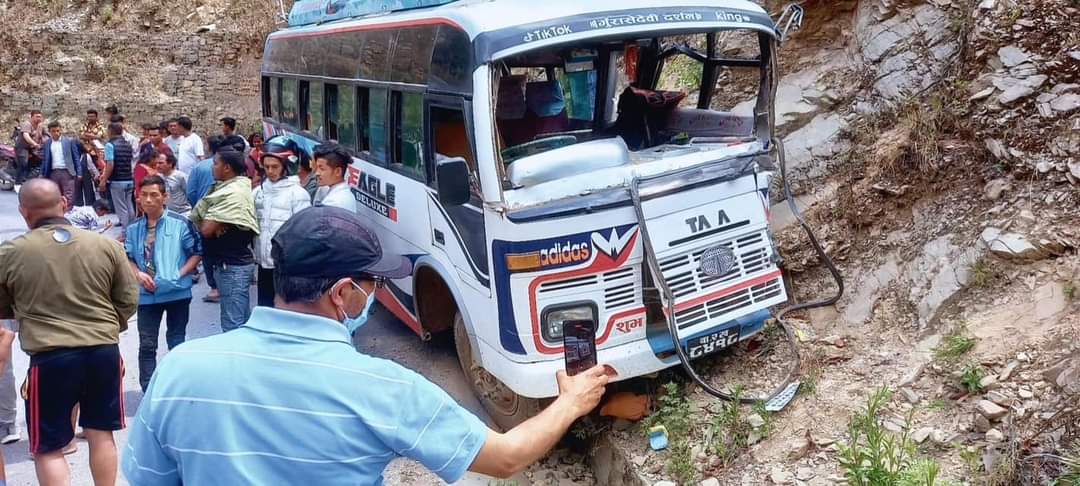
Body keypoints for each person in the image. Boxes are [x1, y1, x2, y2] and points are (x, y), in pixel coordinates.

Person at [122, 205, 613, 485]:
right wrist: (571, 401)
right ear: (342, 293)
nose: (374, 294)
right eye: (371, 284)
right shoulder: (380, 386)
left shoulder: (181, 369)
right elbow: (505, 457)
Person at [0, 178, 138, 486]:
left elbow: (2, 304)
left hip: (50, 357)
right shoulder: (105, 245)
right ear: (64, 203)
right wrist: (106, 326)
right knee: (101, 433)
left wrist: (25, 311)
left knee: (48, 447)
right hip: (102, 351)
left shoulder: (10, 253)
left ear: (24, 212)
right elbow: (128, 298)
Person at [125, 175, 202, 392]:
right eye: (144, 195)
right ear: (138, 197)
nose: (148, 200)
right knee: (147, 344)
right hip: (147, 295)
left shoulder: (181, 223)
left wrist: (179, 274)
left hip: (177, 292)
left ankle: (179, 386)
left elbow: (196, 252)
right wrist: (138, 274)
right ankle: (148, 389)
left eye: (154, 195)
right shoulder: (133, 229)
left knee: (177, 340)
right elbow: (127, 256)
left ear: (164, 197)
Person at [189, 148, 258, 332]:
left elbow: (206, 229)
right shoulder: (225, 189)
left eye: (216, 163)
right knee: (239, 319)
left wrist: (209, 220)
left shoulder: (233, 194)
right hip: (229, 265)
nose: (212, 167)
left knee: (233, 324)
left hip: (233, 267)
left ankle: (236, 358)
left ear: (227, 168)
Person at [253, 151, 310, 306]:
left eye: (275, 167)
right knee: (265, 307)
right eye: (266, 167)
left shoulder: (298, 194)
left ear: (286, 167)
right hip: (263, 263)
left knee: (285, 307)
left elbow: (302, 233)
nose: (270, 171)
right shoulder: (258, 192)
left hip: (285, 265)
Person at [99, 122, 136, 228]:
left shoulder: (110, 145)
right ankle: (133, 228)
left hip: (117, 180)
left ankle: (125, 231)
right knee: (129, 206)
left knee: (121, 208)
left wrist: (104, 180)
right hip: (128, 179)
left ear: (110, 131)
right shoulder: (128, 144)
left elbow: (110, 164)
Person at [40, 121, 84, 205]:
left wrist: (79, 172)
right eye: (53, 131)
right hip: (53, 172)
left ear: (61, 130)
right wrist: (42, 173)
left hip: (67, 171)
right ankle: (58, 214)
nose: (56, 133)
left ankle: (67, 214)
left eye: (58, 131)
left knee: (69, 195)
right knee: (55, 194)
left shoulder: (69, 141)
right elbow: (45, 159)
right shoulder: (47, 143)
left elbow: (76, 158)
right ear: (49, 131)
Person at [312, 143, 356, 211]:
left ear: (337, 171)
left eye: (322, 169)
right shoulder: (337, 194)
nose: (317, 173)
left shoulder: (334, 203)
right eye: (317, 168)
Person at [13, 110, 45, 185]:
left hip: (32, 148)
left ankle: (30, 179)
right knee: (24, 163)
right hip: (22, 148)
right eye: (37, 117)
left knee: (40, 160)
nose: (39, 118)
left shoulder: (40, 126)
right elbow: (26, 136)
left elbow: (46, 134)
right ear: (32, 117)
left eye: (40, 117)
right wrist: (35, 144)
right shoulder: (27, 124)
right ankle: (18, 183)